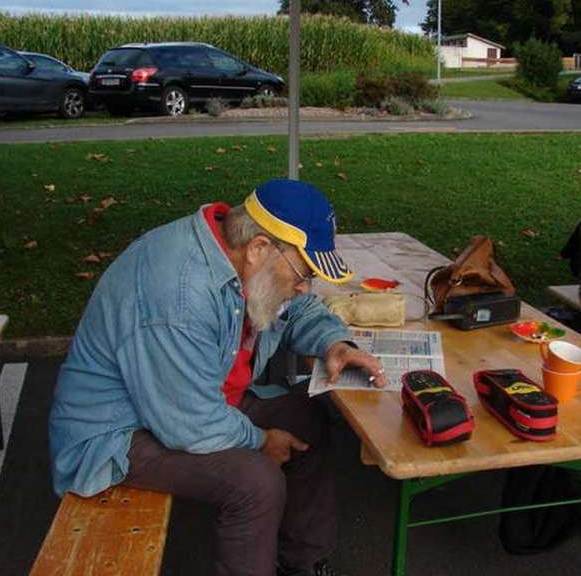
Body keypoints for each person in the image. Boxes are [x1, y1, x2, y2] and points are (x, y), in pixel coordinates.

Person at [49, 178, 387, 576]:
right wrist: (261, 440)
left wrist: (334, 343)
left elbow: (302, 309)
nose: (303, 286)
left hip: (189, 401)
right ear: (259, 248)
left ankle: (303, 564)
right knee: (255, 483)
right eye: (302, 272)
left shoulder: (243, 255)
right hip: (118, 432)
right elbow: (188, 424)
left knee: (307, 419)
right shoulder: (178, 294)